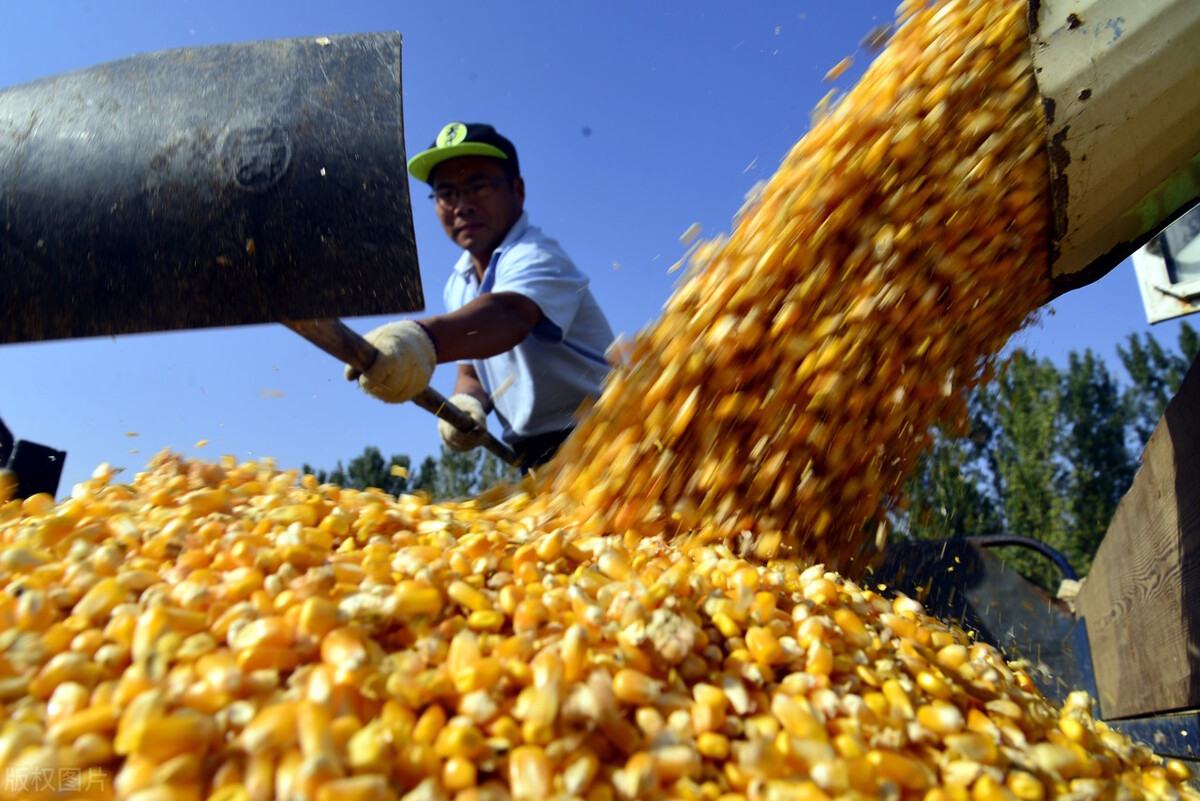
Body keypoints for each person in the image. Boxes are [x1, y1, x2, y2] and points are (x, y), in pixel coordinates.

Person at [346, 122, 615, 469]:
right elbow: (472, 373)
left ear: (517, 191)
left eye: (478, 187)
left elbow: (509, 316)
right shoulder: (458, 284)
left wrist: (420, 339)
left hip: (605, 438)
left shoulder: (536, 254)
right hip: (533, 455)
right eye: (446, 194)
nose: (462, 206)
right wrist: (464, 404)